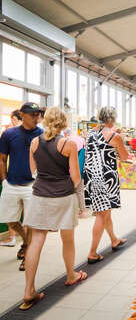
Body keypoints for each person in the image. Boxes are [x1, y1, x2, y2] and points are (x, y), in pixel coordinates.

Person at [20, 107, 86, 311]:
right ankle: (71, 275)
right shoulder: (68, 144)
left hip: (40, 196)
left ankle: (29, 290)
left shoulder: (34, 142)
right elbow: (75, 176)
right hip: (63, 197)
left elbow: (32, 171)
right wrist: (82, 203)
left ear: (45, 121)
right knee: (68, 239)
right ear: (63, 122)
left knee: (36, 242)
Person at [0, 102, 43, 271]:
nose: (36, 117)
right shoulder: (9, 134)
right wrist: (3, 179)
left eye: (37, 114)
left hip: (32, 185)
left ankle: (28, 255)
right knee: (10, 219)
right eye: (32, 114)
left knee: (31, 222)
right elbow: (2, 158)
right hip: (11, 183)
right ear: (22, 115)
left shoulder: (41, 134)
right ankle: (25, 241)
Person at [84, 106, 128, 264]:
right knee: (102, 214)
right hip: (105, 178)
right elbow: (124, 157)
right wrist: (120, 138)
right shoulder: (114, 136)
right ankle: (92, 253)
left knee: (105, 211)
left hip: (91, 177)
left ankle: (114, 240)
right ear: (113, 118)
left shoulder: (90, 133)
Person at [0, 110, 22, 247]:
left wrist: (4, 178)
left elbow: (3, 158)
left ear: (14, 118)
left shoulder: (8, 134)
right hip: (25, 178)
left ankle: (13, 237)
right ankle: (25, 242)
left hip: (12, 178)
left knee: (11, 211)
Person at [63, 129, 86, 217]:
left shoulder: (67, 142)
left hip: (70, 172)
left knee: (70, 192)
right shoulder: (82, 141)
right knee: (80, 192)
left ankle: (71, 212)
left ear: (65, 134)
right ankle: (83, 211)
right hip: (80, 171)